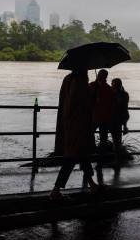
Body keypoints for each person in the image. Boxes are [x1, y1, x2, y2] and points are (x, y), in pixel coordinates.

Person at [50, 69, 99, 200]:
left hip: (70, 126)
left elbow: (68, 102)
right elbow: (80, 103)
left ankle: (92, 184)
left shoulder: (68, 79)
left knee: (83, 156)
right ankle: (55, 191)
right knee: (71, 158)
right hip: (79, 126)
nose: (88, 72)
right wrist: (92, 94)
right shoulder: (80, 81)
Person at [89, 69, 115, 156]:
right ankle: (101, 155)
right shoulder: (109, 88)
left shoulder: (92, 85)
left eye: (100, 75)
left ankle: (93, 151)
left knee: (89, 134)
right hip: (104, 117)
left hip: (96, 116)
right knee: (103, 138)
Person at [110, 78, 130, 167]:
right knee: (117, 141)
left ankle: (117, 161)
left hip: (116, 120)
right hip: (118, 119)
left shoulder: (117, 95)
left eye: (113, 85)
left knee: (116, 142)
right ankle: (117, 160)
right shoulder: (124, 94)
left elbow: (122, 108)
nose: (112, 86)